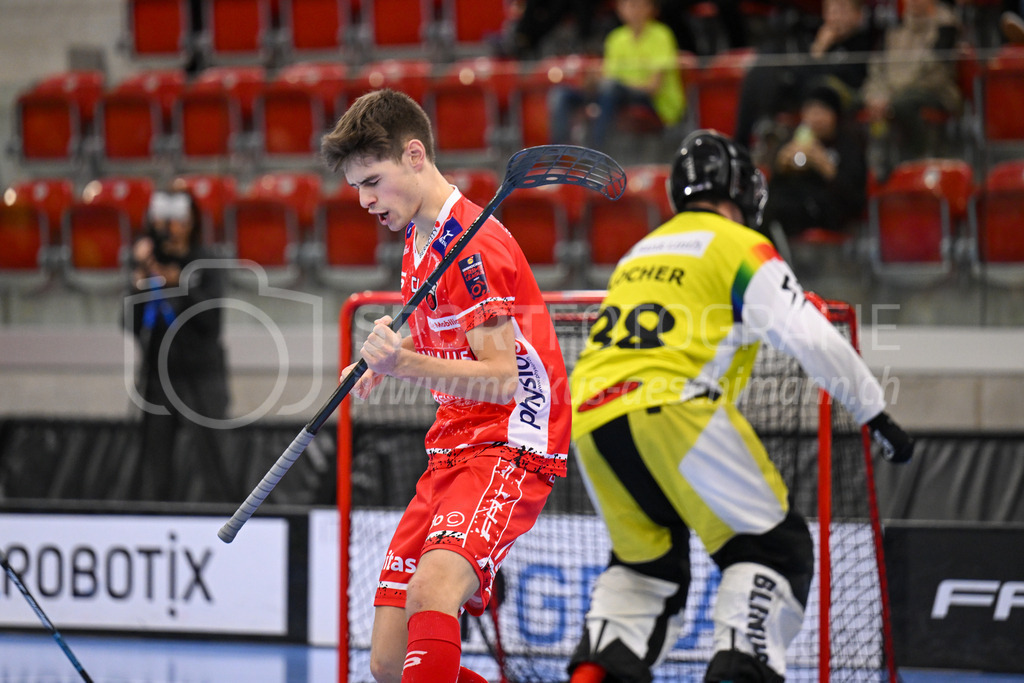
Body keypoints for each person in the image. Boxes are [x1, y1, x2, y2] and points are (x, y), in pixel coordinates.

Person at [565, 130, 914, 683]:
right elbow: (813, 337)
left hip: (588, 416)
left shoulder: (638, 253)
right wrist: (875, 412)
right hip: (673, 404)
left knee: (644, 571)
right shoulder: (737, 244)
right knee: (773, 553)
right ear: (742, 189)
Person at [320, 88, 572, 683]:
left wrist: (402, 367)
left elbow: (505, 380)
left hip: (511, 439)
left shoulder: (475, 248)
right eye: (357, 186)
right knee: (387, 660)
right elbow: (445, 338)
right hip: (451, 443)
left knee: (433, 591)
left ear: (414, 156)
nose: (363, 200)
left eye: (373, 181)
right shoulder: (417, 240)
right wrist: (387, 356)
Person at [124, 188, 233, 501]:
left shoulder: (205, 262)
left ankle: (223, 522)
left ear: (190, 223)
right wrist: (138, 282)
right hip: (157, 375)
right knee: (154, 464)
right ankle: (154, 521)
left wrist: (179, 285)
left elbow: (211, 323)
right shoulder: (148, 264)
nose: (169, 229)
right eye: (162, 221)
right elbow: (129, 323)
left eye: (177, 220)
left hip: (202, 375)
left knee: (214, 459)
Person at [734, 0, 875, 151]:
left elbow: (849, 77)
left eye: (841, 9)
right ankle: (744, 141)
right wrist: (818, 49)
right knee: (760, 72)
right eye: (830, 10)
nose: (835, 17)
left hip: (841, 97)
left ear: (858, 15)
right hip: (806, 93)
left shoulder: (865, 43)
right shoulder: (820, 40)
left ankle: (767, 129)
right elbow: (803, 72)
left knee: (817, 85)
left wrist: (818, 52)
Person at [547, 0, 685, 151]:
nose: (632, 10)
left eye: (637, 5)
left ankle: (596, 152)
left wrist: (617, 83)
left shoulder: (662, 35)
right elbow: (607, 78)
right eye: (627, 5)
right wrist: (593, 80)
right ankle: (559, 154)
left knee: (610, 88)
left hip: (653, 101)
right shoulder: (616, 38)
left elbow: (653, 87)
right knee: (561, 94)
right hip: (616, 94)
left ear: (651, 9)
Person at [861, 0, 961, 170]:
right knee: (854, 102)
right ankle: (863, 169)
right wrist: (875, 94)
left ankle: (916, 160)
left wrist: (891, 95)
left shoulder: (946, 27)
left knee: (902, 104)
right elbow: (877, 68)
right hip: (891, 93)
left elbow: (935, 72)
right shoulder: (895, 27)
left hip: (934, 91)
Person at [762, 80, 868, 239]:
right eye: (811, 111)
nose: (816, 118)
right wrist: (780, 167)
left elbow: (855, 198)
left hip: (830, 212)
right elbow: (775, 182)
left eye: (822, 111)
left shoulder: (849, 145)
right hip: (792, 205)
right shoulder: (792, 139)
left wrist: (825, 165)